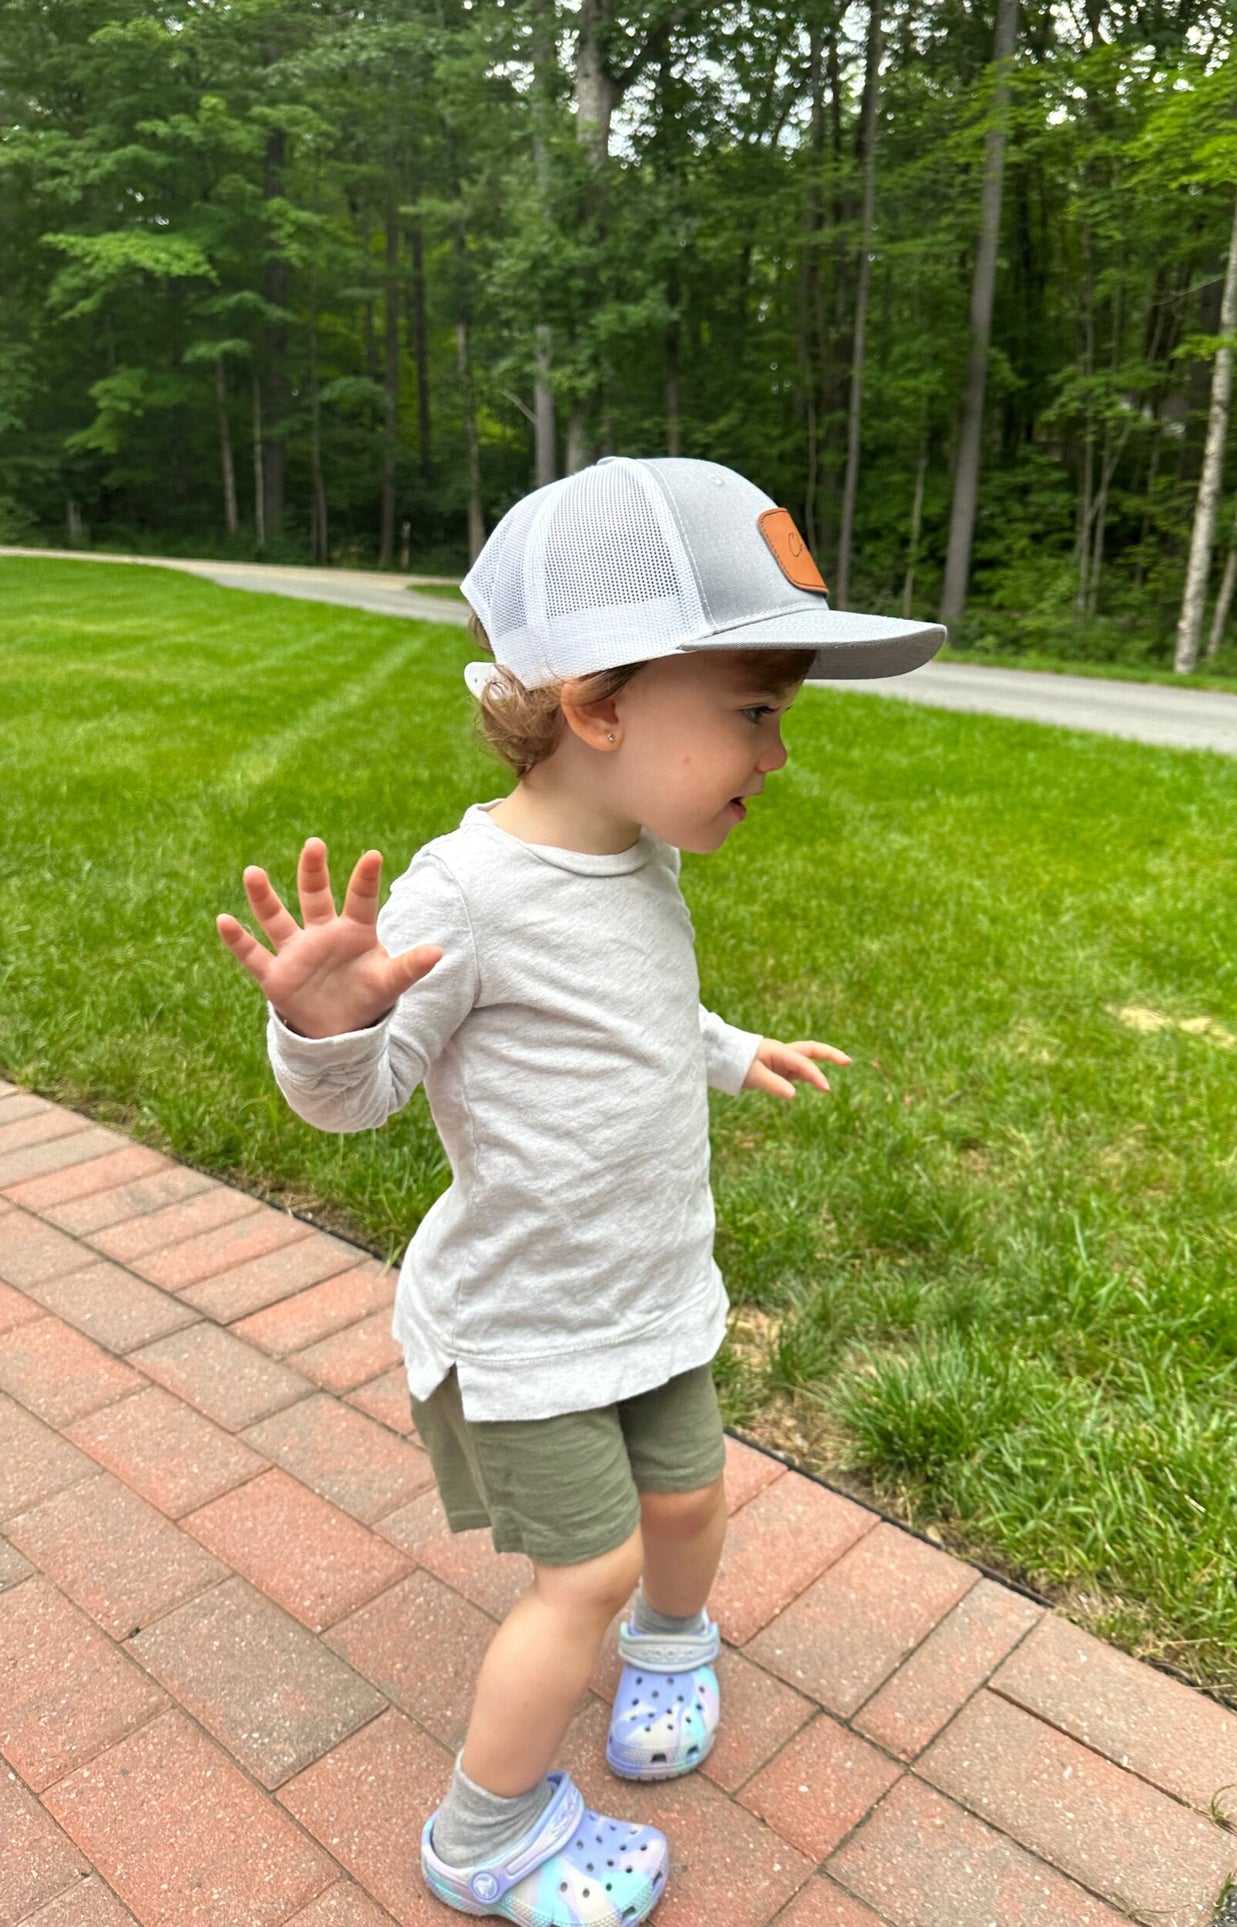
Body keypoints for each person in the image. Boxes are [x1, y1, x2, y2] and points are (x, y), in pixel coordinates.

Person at [216, 455, 943, 1926]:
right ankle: (483, 1837)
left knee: (689, 1497)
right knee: (587, 1572)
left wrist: (731, 1050)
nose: (779, 754)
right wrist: (325, 1020)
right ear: (600, 706)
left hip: (653, 1292)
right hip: (533, 1326)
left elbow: (633, 1011)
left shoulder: (638, 857)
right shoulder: (461, 896)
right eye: (753, 712)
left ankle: (679, 1646)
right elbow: (354, 1106)